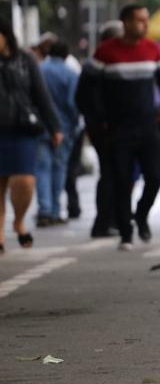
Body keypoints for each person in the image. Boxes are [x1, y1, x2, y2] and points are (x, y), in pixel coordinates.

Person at [87, 5, 160, 249]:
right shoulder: (105, 53)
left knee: (155, 175)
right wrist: (99, 119)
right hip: (118, 129)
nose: (145, 25)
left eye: (147, 20)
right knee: (121, 180)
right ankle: (126, 232)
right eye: (140, 21)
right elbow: (86, 90)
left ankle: (142, 214)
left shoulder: (153, 50)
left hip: (148, 126)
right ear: (125, 22)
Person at [0, 17, 62, 252]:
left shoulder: (25, 60)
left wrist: (55, 126)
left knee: (24, 181)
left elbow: (41, 95)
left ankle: (18, 221)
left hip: (23, 129)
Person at [76, 21, 122, 238]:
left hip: (106, 126)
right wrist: (101, 120)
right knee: (111, 174)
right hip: (104, 128)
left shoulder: (101, 63)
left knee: (113, 173)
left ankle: (112, 219)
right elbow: (84, 97)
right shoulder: (97, 65)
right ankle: (105, 222)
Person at [35, 40, 79, 227]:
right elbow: (72, 103)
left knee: (42, 168)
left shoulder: (38, 70)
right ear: (66, 55)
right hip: (64, 127)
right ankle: (54, 210)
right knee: (59, 168)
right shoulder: (70, 74)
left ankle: (43, 209)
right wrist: (74, 123)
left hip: (40, 127)